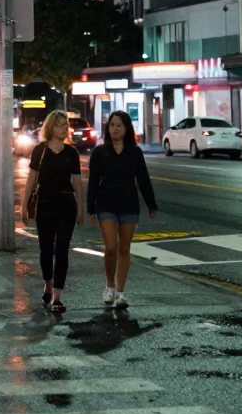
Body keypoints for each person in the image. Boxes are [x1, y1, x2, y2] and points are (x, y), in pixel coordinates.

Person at [87, 110, 157, 310]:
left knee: (125, 248)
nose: (114, 128)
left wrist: (151, 204)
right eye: (111, 125)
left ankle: (120, 293)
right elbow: (93, 182)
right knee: (111, 247)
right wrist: (90, 207)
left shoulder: (135, 152)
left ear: (126, 128)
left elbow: (143, 179)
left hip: (128, 203)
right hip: (106, 203)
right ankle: (109, 287)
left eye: (119, 125)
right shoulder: (99, 152)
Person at [20, 110, 83, 314]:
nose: (64, 129)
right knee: (46, 249)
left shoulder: (71, 153)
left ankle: (57, 297)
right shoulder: (40, 150)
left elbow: (77, 183)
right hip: (45, 203)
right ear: (50, 127)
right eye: (59, 125)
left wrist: (81, 208)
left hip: (66, 203)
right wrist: (24, 204)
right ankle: (47, 284)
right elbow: (32, 179)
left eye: (65, 125)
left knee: (62, 250)